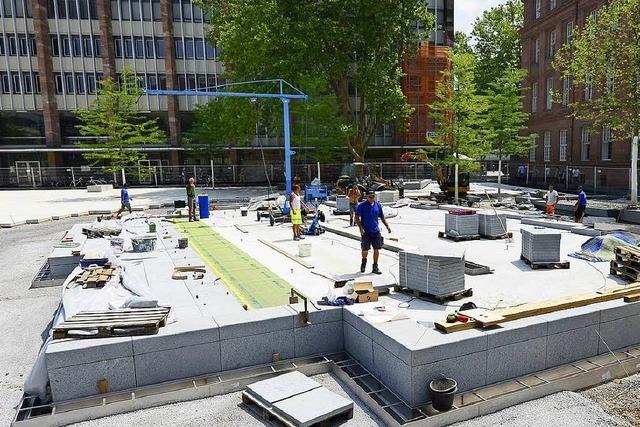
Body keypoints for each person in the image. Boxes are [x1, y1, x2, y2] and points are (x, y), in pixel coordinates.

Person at [355, 191, 391, 275]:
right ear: (366, 197)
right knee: (365, 249)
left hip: (375, 231)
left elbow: (382, 217)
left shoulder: (378, 205)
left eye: (373, 197)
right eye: (370, 197)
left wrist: (387, 226)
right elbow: (356, 217)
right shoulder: (362, 206)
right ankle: (363, 263)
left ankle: (375, 267)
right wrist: (361, 228)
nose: (372, 198)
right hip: (366, 232)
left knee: (377, 249)